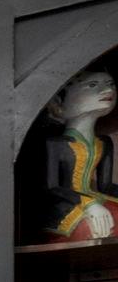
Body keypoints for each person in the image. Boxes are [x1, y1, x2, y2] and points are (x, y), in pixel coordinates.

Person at [36, 68, 118, 242]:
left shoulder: (104, 142)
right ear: (59, 101)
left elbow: (106, 186)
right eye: (93, 85)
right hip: (65, 204)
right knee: (91, 225)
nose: (108, 91)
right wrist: (88, 204)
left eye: (111, 85)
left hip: (95, 199)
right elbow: (51, 187)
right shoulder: (55, 143)